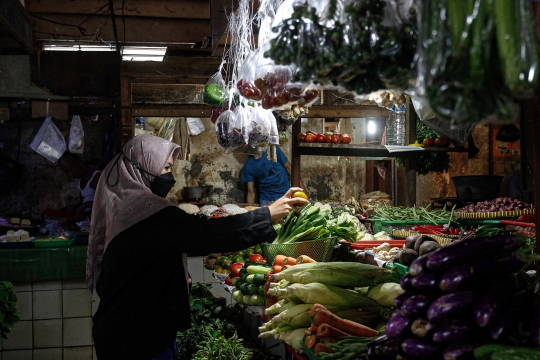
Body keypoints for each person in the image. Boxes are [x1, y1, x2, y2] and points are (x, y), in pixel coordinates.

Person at [88, 134, 307, 360]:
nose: (169, 176)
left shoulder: (123, 202)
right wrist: (267, 215)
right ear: (142, 168)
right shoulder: (150, 212)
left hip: (122, 326)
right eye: (164, 168)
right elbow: (208, 233)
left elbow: (145, 256)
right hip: (139, 335)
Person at [241, 146, 305, 206]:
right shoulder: (248, 166)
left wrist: (304, 191)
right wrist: (249, 213)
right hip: (266, 200)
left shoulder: (273, 150)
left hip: (286, 195)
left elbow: (290, 168)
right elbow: (250, 193)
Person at [58, 151, 102, 218]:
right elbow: (83, 201)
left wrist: (85, 205)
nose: (70, 174)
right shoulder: (82, 180)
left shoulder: (96, 178)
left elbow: (108, 203)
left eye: (70, 170)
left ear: (79, 163)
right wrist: (75, 207)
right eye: (67, 172)